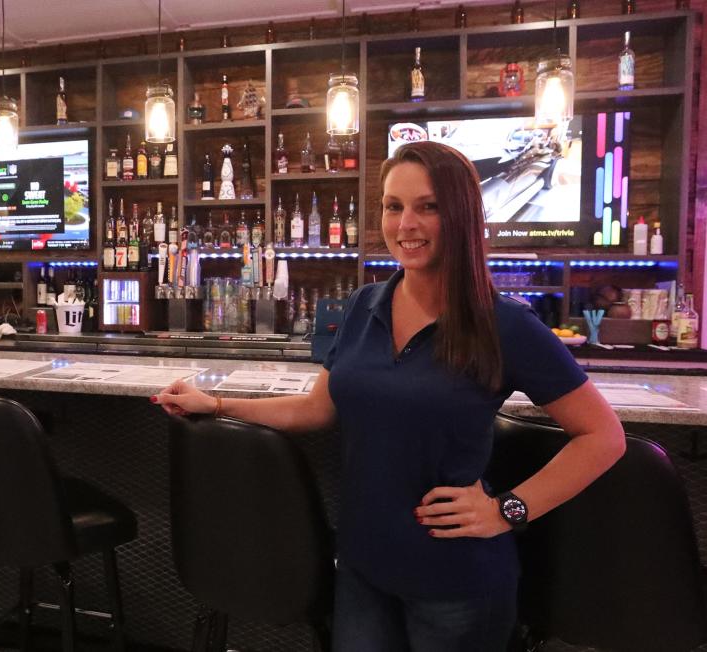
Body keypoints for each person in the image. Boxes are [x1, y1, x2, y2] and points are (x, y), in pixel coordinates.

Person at [152, 141, 625, 651]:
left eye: (428, 207)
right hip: (362, 567)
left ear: (462, 214)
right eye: (393, 206)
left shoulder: (504, 322)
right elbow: (317, 407)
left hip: (456, 581)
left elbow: (603, 436)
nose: (406, 225)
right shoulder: (363, 304)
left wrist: (509, 509)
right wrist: (218, 404)